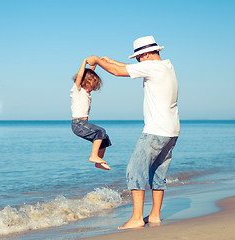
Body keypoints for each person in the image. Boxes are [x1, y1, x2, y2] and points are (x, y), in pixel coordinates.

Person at [86, 36, 180, 229]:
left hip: (155, 130)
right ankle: (154, 215)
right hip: (171, 131)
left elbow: (119, 72)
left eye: (138, 58)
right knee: (157, 173)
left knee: (135, 170)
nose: (137, 62)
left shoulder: (152, 67)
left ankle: (137, 217)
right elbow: (124, 66)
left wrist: (96, 60)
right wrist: (107, 60)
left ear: (145, 54)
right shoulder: (166, 66)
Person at [70, 59, 112, 171]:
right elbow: (81, 76)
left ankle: (98, 161)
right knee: (100, 131)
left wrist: (96, 63)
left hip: (83, 124)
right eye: (92, 86)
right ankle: (93, 155)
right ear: (85, 83)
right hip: (78, 124)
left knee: (104, 138)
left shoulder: (86, 93)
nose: (93, 89)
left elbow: (89, 73)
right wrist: (84, 62)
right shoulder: (77, 90)